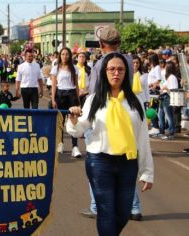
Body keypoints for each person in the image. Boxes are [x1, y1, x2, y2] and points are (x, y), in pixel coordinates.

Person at [66, 53, 153, 236]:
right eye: (111, 69)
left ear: (126, 72)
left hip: (128, 163)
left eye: (120, 69)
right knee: (105, 212)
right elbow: (79, 130)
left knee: (122, 213)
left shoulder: (135, 101)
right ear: (105, 72)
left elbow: (142, 137)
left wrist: (147, 171)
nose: (116, 73)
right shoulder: (94, 99)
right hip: (99, 163)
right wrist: (73, 119)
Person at [50, 47, 81, 157]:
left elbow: (76, 85)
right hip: (60, 95)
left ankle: (75, 147)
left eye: (67, 54)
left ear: (70, 56)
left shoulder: (75, 68)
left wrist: (78, 101)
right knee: (60, 121)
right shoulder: (55, 68)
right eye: (63, 54)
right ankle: (60, 143)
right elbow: (53, 86)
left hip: (72, 94)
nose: (65, 56)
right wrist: (53, 99)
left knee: (74, 120)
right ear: (60, 56)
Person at [88, 26, 133, 95]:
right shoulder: (129, 60)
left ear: (100, 44)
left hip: (106, 104)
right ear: (119, 43)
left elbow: (93, 93)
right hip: (126, 103)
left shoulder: (100, 64)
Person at [158, 61, 178, 140]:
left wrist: (165, 88)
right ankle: (162, 131)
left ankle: (171, 133)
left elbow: (173, 90)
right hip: (164, 96)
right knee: (161, 114)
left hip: (168, 97)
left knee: (169, 116)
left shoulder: (172, 77)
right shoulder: (169, 77)